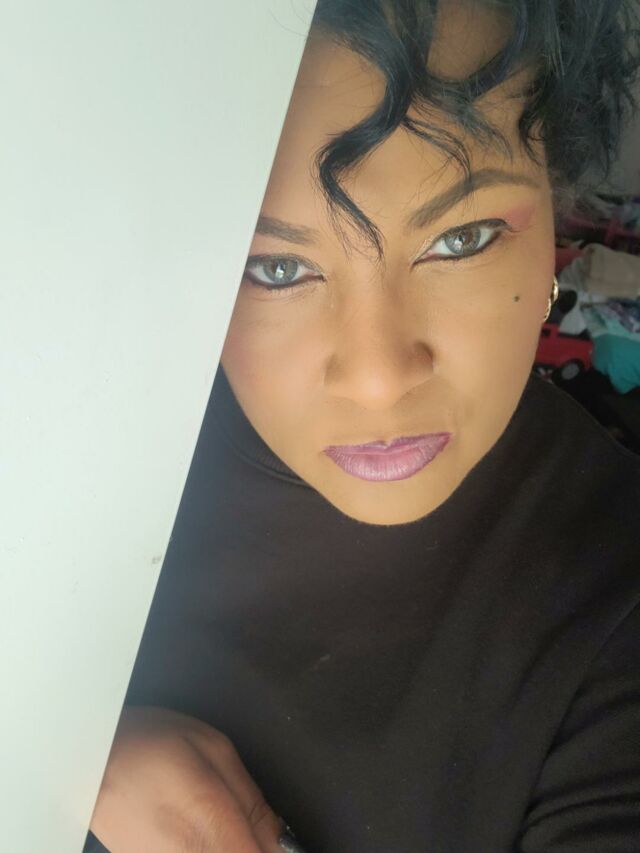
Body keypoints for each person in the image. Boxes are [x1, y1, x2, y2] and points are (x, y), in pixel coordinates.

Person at [84, 1, 640, 851]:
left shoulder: (613, 610)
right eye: (276, 267)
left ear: (554, 220)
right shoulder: (71, 451)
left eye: (461, 238)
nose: (379, 379)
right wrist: (60, 754)